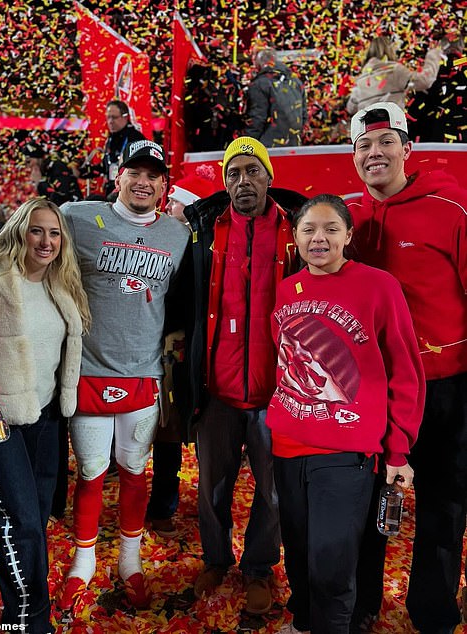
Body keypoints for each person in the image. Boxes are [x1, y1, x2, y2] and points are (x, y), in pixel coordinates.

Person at [268, 193, 425, 634]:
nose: (319, 238)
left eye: (330, 229)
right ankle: (303, 622)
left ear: (348, 236)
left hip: (347, 452)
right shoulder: (286, 290)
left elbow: (405, 371)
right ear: (295, 237)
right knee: (297, 552)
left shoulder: (378, 286)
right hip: (287, 445)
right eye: (308, 230)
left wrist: (398, 449)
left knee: (332, 564)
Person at [347, 102, 467, 634]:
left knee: (443, 502)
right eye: (364, 146)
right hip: (374, 390)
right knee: (366, 503)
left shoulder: (451, 206)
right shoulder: (346, 217)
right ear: (354, 157)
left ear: (407, 149)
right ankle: (361, 605)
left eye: (385, 142)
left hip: (444, 387)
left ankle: (433, 613)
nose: (375, 153)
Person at [59, 139, 190, 610]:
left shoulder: (178, 233)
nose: (143, 181)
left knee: (136, 472)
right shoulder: (76, 217)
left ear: (163, 184)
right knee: (91, 473)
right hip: (89, 370)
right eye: (135, 171)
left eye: (153, 174)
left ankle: (129, 563)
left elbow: (183, 298)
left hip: (144, 373)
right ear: (118, 176)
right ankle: (84, 564)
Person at [179, 137, 299, 616]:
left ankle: (259, 567)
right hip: (218, 389)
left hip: (278, 390)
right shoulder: (205, 229)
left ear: (268, 176)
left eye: (252, 170)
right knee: (212, 484)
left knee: (272, 489)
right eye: (233, 173)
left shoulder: (296, 228)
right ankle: (215, 558)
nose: (242, 181)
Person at [0, 197, 90, 633]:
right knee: (21, 522)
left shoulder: (60, 284)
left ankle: (21, 604)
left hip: (46, 417)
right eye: (37, 230)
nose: (46, 241)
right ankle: (30, 621)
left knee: (35, 518)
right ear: (20, 230)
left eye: (55, 233)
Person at [146, 164, 217, 539]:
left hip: (190, 347)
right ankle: (163, 508)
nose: (167, 204)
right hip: (171, 348)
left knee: (191, 432)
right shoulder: (170, 240)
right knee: (169, 433)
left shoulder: (200, 244)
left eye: (175, 200)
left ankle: (190, 506)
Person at [346, 36, 442, 115]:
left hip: (367, 132)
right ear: (389, 50)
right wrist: (433, 54)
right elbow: (425, 80)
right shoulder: (394, 70)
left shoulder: (361, 78)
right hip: (390, 129)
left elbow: (351, 108)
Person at [409, 34, 467, 143]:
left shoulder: (432, 71)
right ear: (462, 48)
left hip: (433, 138)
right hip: (462, 142)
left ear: (442, 48)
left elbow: (415, 111)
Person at [244, 48, 307, 147]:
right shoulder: (296, 81)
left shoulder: (260, 84)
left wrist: (246, 144)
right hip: (293, 144)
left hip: (268, 146)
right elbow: (304, 115)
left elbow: (257, 119)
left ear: (258, 64)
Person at [99, 100, 146, 199]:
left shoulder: (136, 139)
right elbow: (105, 165)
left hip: (127, 191)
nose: (110, 121)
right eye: (108, 117)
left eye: (114, 117)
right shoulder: (110, 138)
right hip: (111, 188)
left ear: (125, 117)